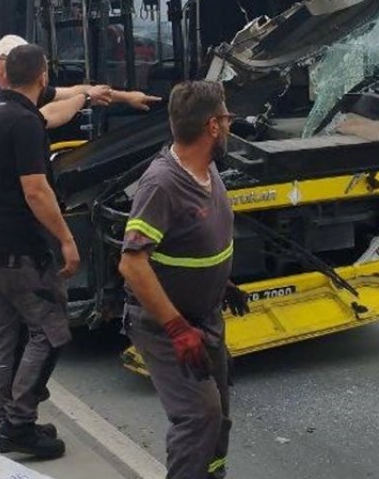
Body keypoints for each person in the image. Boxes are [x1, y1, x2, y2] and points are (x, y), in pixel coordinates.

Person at [0, 35, 160, 404]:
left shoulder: (7, 108)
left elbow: (68, 98)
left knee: (8, 322)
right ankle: (6, 399)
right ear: (4, 69)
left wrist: (121, 97)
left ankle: (0, 400)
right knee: (35, 324)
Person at [118, 80, 249, 479]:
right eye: (225, 119)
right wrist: (176, 328)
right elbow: (133, 264)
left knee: (218, 415)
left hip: (204, 317)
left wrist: (219, 283)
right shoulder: (162, 184)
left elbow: (190, 242)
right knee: (198, 416)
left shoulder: (207, 169)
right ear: (212, 126)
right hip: (166, 326)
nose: (229, 127)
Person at [0, 44, 80, 459]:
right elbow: (35, 189)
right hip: (21, 250)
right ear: (43, 75)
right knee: (50, 331)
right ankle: (19, 424)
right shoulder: (25, 123)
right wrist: (67, 239)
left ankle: (9, 416)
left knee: (7, 332)